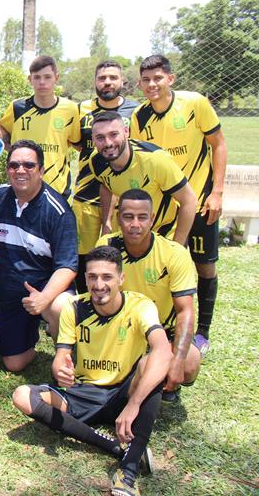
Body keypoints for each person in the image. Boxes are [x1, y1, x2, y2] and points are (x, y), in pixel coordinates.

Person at [12, 245, 172, 496]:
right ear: (84, 278)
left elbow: (163, 351)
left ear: (121, 278)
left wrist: (133, 404)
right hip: (83, 392)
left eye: (107, 277)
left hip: (123, 393)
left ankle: (128, 472)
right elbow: (61, 357)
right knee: (22, 395)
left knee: (151, 365)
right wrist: (61, 370)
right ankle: (116, 448)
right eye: (92, 277)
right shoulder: (74, 307)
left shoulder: (141, 306)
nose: (99, 284)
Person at [130, 54, 227, 353]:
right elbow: (140, 162)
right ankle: (165, 328)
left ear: (170, 79)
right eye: (146, 80)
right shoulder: (139, 117)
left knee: (204, 267)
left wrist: (218, 192)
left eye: (158, 78)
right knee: (165, 267)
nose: (152, 84)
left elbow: (219, 144)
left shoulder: (194, 104)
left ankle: (203, 332)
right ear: (139, 84)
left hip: (198, 203)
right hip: (162, 209)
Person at [97, 189, 201, 403]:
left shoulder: (174, 254)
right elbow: (97, 299)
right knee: (139, 369)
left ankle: (160, 375)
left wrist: (178, 359)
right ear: (118, 218)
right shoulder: (106, 247)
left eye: (142, 217)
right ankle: (144, 376)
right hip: (120, 331)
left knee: (190, 361)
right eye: (128, 217)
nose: (135, 224)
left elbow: (185, 310)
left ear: (152, 219)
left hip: (162, 333)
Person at [0, 140, 77, 372]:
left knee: (62, 307)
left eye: (29, 165)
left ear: (41, 170)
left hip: (44, 290)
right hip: (10, 294)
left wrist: (44, 298)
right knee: (13, 364)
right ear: (7, 170)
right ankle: (28, 338)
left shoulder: (58, 211)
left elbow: (67, 266)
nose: (20, 170)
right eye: (14, 165)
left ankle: (66, 356)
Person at [74, 61, 139, 291]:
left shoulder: (136, 111)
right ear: (95, 81)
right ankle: (84, 310)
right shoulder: (81, 110)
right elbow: (75, 143)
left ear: (122, 81)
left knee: (119, 259)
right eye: (102, 78)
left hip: (124, 199)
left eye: (113, 77)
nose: (107, 82)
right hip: (86, 199)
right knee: (84, 259)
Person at [89, 111, 197, 245]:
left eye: (113, 134)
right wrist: (107, 223)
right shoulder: (96, 161)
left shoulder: (156, 160)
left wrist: (177, 246)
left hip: (162, 237)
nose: (108, 143)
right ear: (93, 139)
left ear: (126, 132)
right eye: (100, 137)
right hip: (128, 237)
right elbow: (105, 185)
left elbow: (189, 200)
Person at [0, 55, 80, 198]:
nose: (42, 82)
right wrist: (13, 150)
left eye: (47, 77)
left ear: (57, 78)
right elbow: (0, 132)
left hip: (57, 189)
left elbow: (77, 143)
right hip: (21, 187)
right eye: (37, 77)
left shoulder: (71, 109)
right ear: (30, 80)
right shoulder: (17, 107)